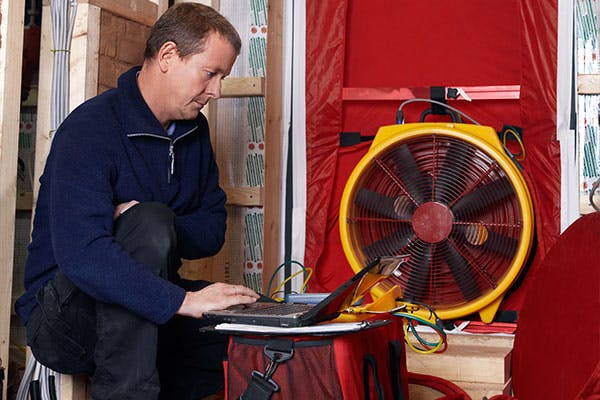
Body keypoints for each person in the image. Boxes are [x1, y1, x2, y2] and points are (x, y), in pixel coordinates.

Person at [14, 3, 259, 399]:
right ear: (167, 57)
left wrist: (146, 226)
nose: (216, 90)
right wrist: (175, 288)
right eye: (210, 73)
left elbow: (212, 230)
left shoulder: (193, 134)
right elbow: (84, 257)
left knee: (255, 332)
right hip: (65, 318)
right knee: (149, 223)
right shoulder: (90, 129)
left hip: (150, 300)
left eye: (222, 77)